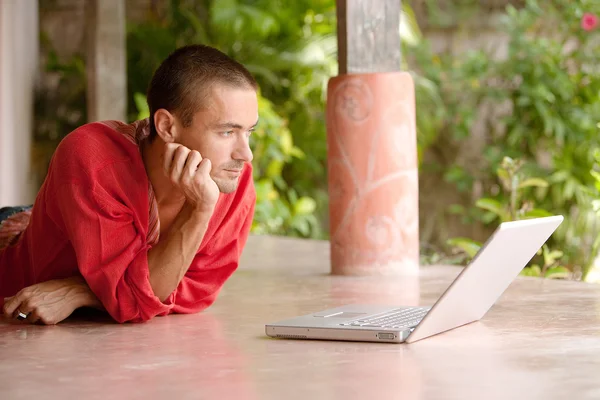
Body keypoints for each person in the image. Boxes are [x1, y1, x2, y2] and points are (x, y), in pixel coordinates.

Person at [0, 44, 258, 324]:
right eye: (227, 132)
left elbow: (197, 290)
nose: (245, 154)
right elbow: (139, 297)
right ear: (167, 127)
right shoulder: (92, 157)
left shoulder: (232, 176)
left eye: (249, 132)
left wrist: (81, 291)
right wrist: (199, 210)